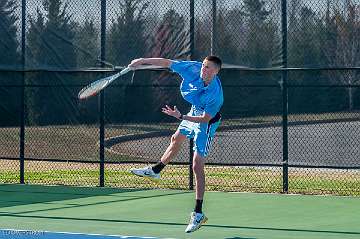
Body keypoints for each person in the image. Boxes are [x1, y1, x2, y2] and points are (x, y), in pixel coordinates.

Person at [129, 56, 223, 233]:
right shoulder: (192, 69)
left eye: (209, 68)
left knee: (197, 166)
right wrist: (141, 61)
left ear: (216, 71)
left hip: (206, 123)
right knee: (176, 139)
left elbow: (206, 118)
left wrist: (181, 117)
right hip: (194, 112)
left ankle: (198, 213)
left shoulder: (215, 93)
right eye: (204, 65)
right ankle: (155, 170)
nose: (204, 69)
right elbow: (166, 62)